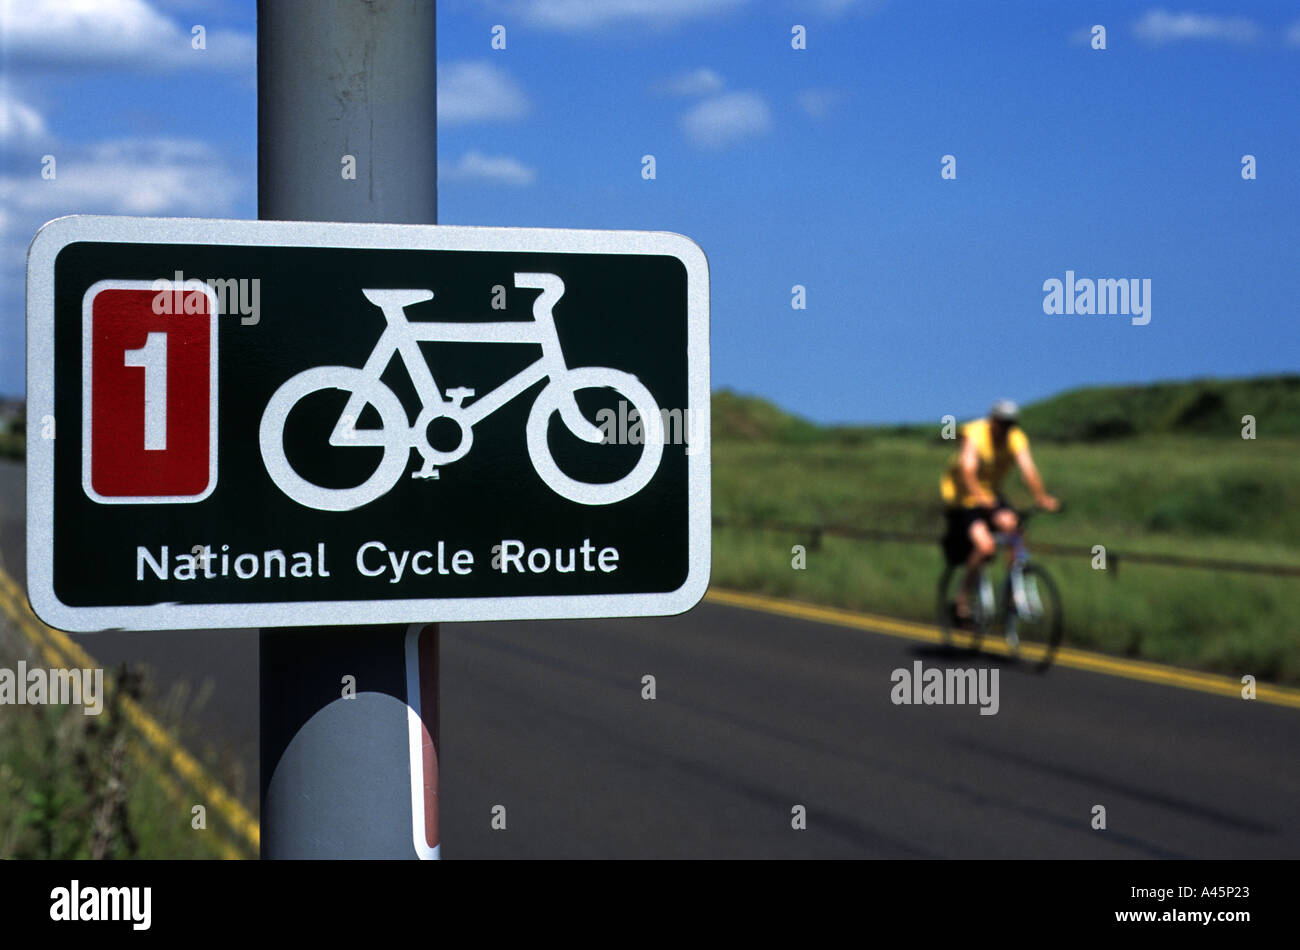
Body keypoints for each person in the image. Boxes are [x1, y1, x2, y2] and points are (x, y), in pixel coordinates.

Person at [939, 400, 1059, 623]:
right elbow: (967, 468)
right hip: (962, 499)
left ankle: (1014, 592)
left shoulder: (1015, 438)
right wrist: (978, 496)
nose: (1006, 428)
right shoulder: (975, 433)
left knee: (1015, 529)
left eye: (1010, 424)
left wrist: (1041, 496)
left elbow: (1028, 469)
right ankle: (962, 598)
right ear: (992, 420)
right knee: (985, 547)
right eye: (1002, 423)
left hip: (991, 496)